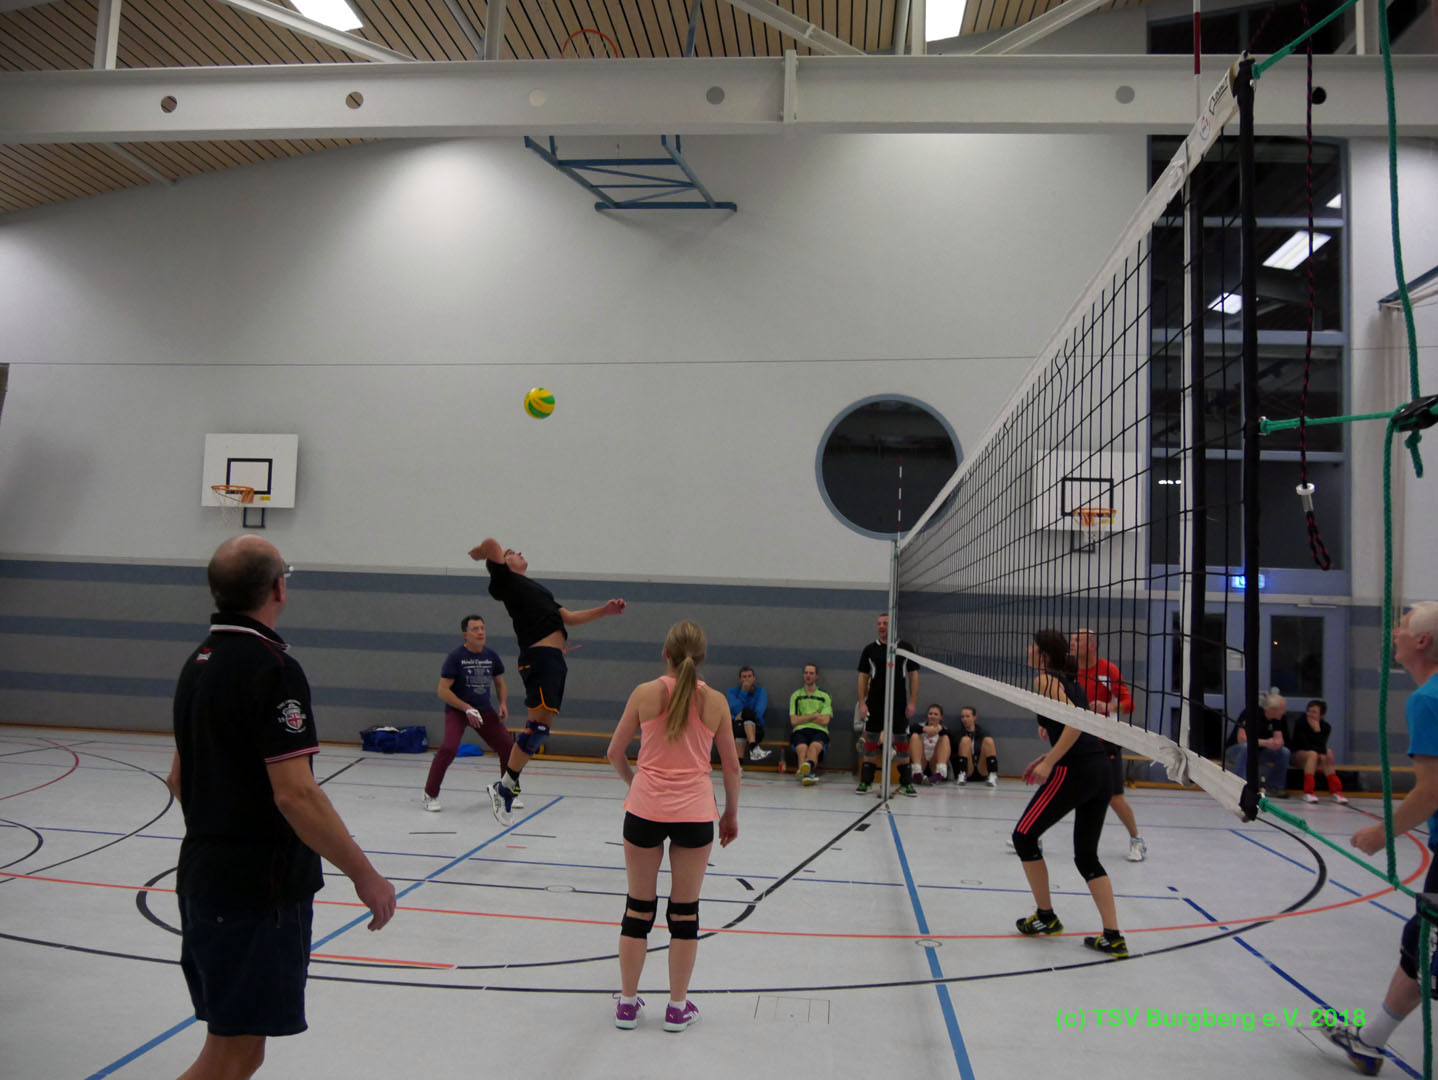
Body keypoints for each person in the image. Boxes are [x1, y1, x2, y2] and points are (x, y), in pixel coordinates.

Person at [167, 536, 397, 1080]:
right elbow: (296, 794)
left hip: (204, 877)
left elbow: (178, 778)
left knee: (237, 1051)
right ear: (278, 588)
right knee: (232, 1056)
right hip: (255, 893)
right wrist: (365, 875)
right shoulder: (272, 669)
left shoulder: (198, 662)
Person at [605, 620, 740, 1033]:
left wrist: (636, 784)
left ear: (665, 653)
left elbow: (614, 752)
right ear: (702, 657)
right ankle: (677, 1008)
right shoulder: (716, 701)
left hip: (644, 810)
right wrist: (730, 813)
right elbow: (732, 767)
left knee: (637, 909)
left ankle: (627, 1005)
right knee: (685, 914)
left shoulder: (644, 693)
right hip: (695, 814)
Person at [1323, 602, 1438, 1074]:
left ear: (1422, 641)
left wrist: (1381, 834)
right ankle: (1370, 1043)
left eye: (1403, 626)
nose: (1394, 633)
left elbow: (1431, 791)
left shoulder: (1427, 700)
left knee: (1426, 949)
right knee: (1420, 943)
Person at [470, 538, 626, 823]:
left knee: (538, 730)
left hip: (553, 661)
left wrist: (605, 610)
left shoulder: (538, 589)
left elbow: (569, 617)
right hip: (539, 657)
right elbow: (491, 543)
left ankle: (504, 788)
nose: (519, 552)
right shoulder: (506, 583)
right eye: (511, 553)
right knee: (537, 728)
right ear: (502, 563)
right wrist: (483, 554)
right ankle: (504, 788)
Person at [1012, 628, 1127, 959]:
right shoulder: (1069, 680)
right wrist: (1046, 756)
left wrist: (1051, 762)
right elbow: (1075, 728)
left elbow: (1074, 724)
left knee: (1023, 837)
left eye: (1033, 646)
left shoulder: (1045, 680)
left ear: (1044, 655)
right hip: (1100, 768)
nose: (1027, 649)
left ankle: (1046, 917)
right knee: (1086, 856)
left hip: (1075, 770)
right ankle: (1113, 936)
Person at [423, 614, 512, 813]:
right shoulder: (455, 657)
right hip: (458, 711)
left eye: (482, 628)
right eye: (475, 629)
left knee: (508, 747)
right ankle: (430, 794)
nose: (480, 632)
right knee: (449, 748)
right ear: (466, 634)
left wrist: (503, 704)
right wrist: (466, 707)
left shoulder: (491, 655)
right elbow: (443, 690)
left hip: (484, 710)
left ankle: (506, 792)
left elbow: (499, 683)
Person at [1071, 628, 1147, 862]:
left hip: (1106, 742)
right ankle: (1035, 834)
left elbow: (1129, 704)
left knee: (1114, 797)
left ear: (1092, 645)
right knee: (1061, 788)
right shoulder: (1069, 669)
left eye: (1077, 640)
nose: (1072, 643)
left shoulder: (1108, 670)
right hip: (1078, 740)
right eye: (1072, 639)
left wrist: (1108, 707)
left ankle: (1137, 840)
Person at [856, 613, 920, 796]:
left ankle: (906, 783)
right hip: (875, 702)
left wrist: (912, 702)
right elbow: (862, 677)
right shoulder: (870, 649)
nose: (881, 626)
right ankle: (866, 781)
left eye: (885, 623)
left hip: (898, 703)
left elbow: (913, 675)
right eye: (879, 624)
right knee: (871, 740)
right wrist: (862, 703)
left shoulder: (905, 648)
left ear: (893, 626)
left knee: (901, 741)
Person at [1227, 691, 1293, 798]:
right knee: (1246, 747)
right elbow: (1242, 739)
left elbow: (1280, 740)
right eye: (1282, 709)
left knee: (1284, 752)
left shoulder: (1277, 719)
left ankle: (1274, 787)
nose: (1284, 712)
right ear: (1272, 709)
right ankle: (1241, 785)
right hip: (1236, 750)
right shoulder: (1251, 713)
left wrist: (1276, 743)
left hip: (1259, 752)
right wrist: (1266, 742)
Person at [1291, 698, 1349, 805]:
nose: (1310, 714)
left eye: (1314, 712)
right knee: (1314, 754)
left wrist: (1317, 730)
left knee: (1325, 755)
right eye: (1309, 711)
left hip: (1315, 757)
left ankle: (1336, 791)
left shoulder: (1326, 727)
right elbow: (1303, 745)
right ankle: (1308, 792)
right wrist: (1322, 749)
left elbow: (1322, 747)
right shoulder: (1300, 723)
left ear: (1321, 715)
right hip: (1298, 756)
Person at [789, 663, 833, 786]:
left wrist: (803, 718)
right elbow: (794, 721)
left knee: (814, 747)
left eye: (811, 673)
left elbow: (825, 721)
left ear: (816, 676)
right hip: (800, 730)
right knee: (802, 748)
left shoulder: (824, 696)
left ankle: (806, 769)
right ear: (803, 675)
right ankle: (807, 775)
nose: (808, 675)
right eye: (806, 673)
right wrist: (814, 715)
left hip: (819, 730)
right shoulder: (796, 696)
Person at [726, 666, 773, 763]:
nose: (747, 679)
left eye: (749, 676)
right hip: (736, 727)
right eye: (744, 677)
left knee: (746, 715)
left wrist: (741, 715)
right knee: (740, 724)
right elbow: (734, 709)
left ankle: (738, 766)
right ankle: (754, 748)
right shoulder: (732, 692)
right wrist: (744, 691)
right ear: (740, 679)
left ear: (754, 678)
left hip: (756, 728)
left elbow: (759, 713)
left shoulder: (761, 692)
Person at [952, 705, 997, 787]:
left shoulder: (982, 733)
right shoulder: (957, 734)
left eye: (967, 716)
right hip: (967, 769)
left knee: (988, 740)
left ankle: (992, 775)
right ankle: (962, 774)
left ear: (974, 717)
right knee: (965, 740)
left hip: (981, 768)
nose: (965, 719)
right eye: (962, 717)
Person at [910, 703, 953, 785]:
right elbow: (910, 729)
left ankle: (939, 773)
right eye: (930, 714)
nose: (932, 716)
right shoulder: (919, 726)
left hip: (934, 764)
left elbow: (953, 739)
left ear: (941, 717)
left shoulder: (945, 730)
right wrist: (924, 729)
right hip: (922, 763)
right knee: (915, 736)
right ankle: (917, 772)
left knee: (945, 738)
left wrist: (940, 729)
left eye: (936, 714)